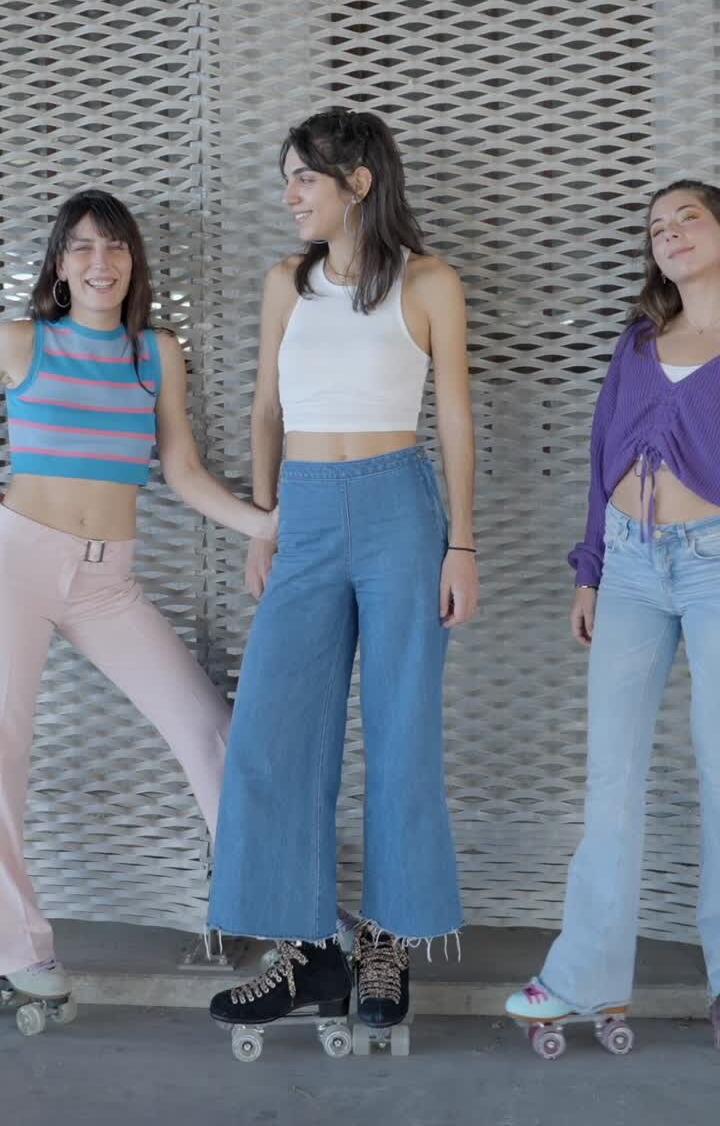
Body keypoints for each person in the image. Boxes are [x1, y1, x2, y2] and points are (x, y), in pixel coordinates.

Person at [208, 106, 479, 1034]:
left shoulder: (430, 281)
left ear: (359, 181)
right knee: (273, 733)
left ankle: (386, 946)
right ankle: (308, 951)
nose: (289, 196)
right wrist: (264, 524)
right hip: (308, 512)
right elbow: (264, 412)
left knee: (403, 728)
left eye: (304, 179)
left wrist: (463, 543)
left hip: (403, 507)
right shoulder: (287, 280)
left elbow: (457, 419)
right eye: (287, 178)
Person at [0, 189, 276, 1013]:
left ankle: (285, 915)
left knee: (212, 732)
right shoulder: (19, 343)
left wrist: (267, 523)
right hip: (15, 564)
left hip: (108, 581)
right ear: (57, 263)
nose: (99, 262)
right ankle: (20, 947)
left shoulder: (154, 353)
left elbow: (183, 472)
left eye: (114, 247)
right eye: (81, 247)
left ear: (133, 262)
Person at [506, 180, 720, 1051]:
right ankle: (584, 972)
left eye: (690, 218)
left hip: (713, 570)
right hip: (631, 568)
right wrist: (592, 571)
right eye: (658, 227)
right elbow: (602, 450)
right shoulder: (640, 343)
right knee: (611, 784)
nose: (670, 235)